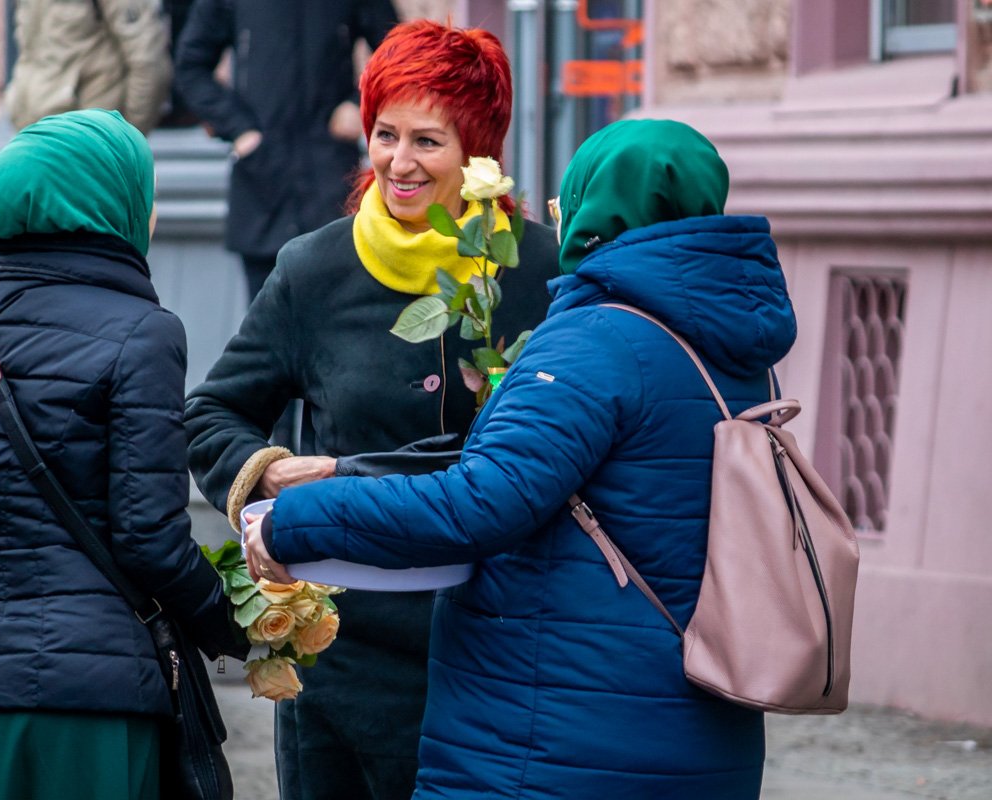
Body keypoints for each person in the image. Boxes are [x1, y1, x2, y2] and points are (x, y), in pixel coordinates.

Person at [245, 118, 797, 798]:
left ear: (598, 205)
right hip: (701, 736)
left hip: (553, 745)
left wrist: (292, 520)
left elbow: (479, 504)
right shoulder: (737, 347)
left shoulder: (597, 341)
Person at [184, 20, 559, 800]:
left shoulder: (538, 271)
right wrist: (265, 471)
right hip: (345, 658)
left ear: (477, 150)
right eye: (385, 134)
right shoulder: (314, 268)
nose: (399, 161)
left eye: (429, 140)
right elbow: (211, 411)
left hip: (496, 641)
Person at [0, 109, 246, 800]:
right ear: (109, 203)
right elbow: (149, 539)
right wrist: (233, 624)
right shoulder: (144, 333)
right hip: (85, 711)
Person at [173, 0, 399, 300]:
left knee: (336, 323)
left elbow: (398, 56)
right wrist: (241, 130)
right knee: (267, 330)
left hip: (330, 185)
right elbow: (190, 66)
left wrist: (358, 104)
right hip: (263, 185)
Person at [5, 0, 172, 134]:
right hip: (33, 130)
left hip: (90, 137)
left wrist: (126, 135)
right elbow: (29, 51)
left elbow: (147, 59)